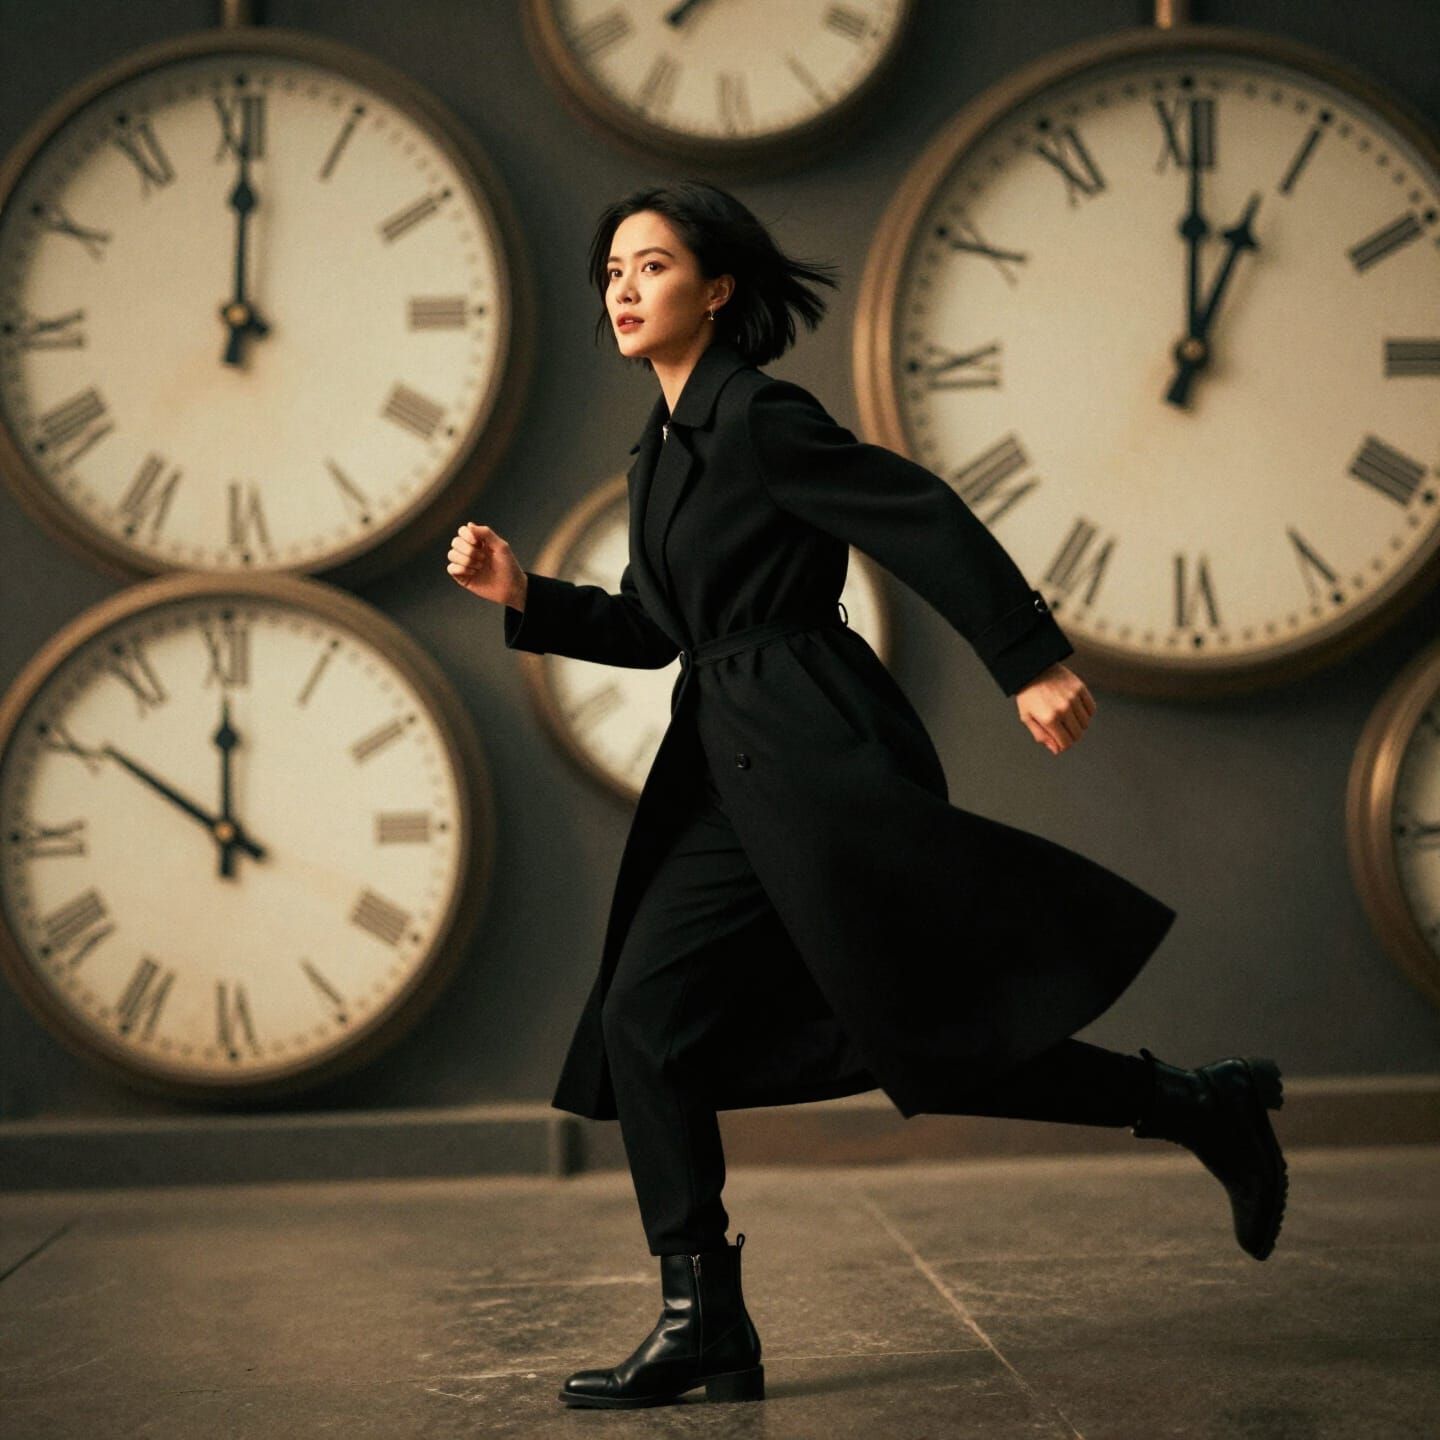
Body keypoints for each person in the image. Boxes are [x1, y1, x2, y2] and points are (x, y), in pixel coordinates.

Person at [446, 180, 1287, 1410]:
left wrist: (1028, 660)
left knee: (925, 1034)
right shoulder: (658, 451)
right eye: (613, 271)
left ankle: (1200, 1105)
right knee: (646, 1018)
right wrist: (529, 596)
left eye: (652, 266)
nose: (623, 289)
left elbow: (918, 513)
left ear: (717, 290)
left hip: (814, 756)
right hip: (724, 765)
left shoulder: (759, 416)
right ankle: (702, 1320)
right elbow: (658, 630)